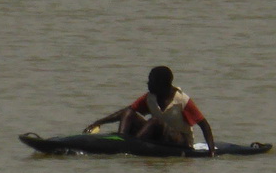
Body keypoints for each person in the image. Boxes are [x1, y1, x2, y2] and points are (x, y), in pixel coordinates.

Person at [83, 66, 216, 156]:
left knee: (154, 121)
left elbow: (204, 126)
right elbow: (126, 112)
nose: (148, 84)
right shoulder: (150, 98)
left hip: (181, 142)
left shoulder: (182, 100)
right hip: (158, 135)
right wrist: (98, 122)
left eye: (151, 81)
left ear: (163, 84)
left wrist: (211, 151)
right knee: (129, 113)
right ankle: (121, 141)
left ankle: (131, 146)